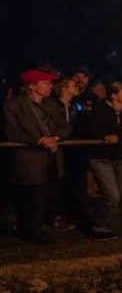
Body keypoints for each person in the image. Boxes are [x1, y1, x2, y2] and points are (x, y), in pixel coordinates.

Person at [3, 68, 72, 243]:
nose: (50, 86)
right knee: (33, 195)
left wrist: (55, 137)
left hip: (52, 157)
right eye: (46, 83)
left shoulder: (51, 104)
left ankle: (32, 227)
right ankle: (32, 231)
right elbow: (13, 134)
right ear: (32, 86)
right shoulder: (13, 107)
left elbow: (65, 127)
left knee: (48, 193)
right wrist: (39, 140)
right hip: (29, 160)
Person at [86, 81, 122, 240]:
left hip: (121, 157)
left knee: (115, 196)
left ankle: (104, 224)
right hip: (102, 157)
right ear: (114, 95)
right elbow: (97, 131)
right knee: (112, 195)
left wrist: (119, 136)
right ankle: (99, 225)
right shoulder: (101, 110)